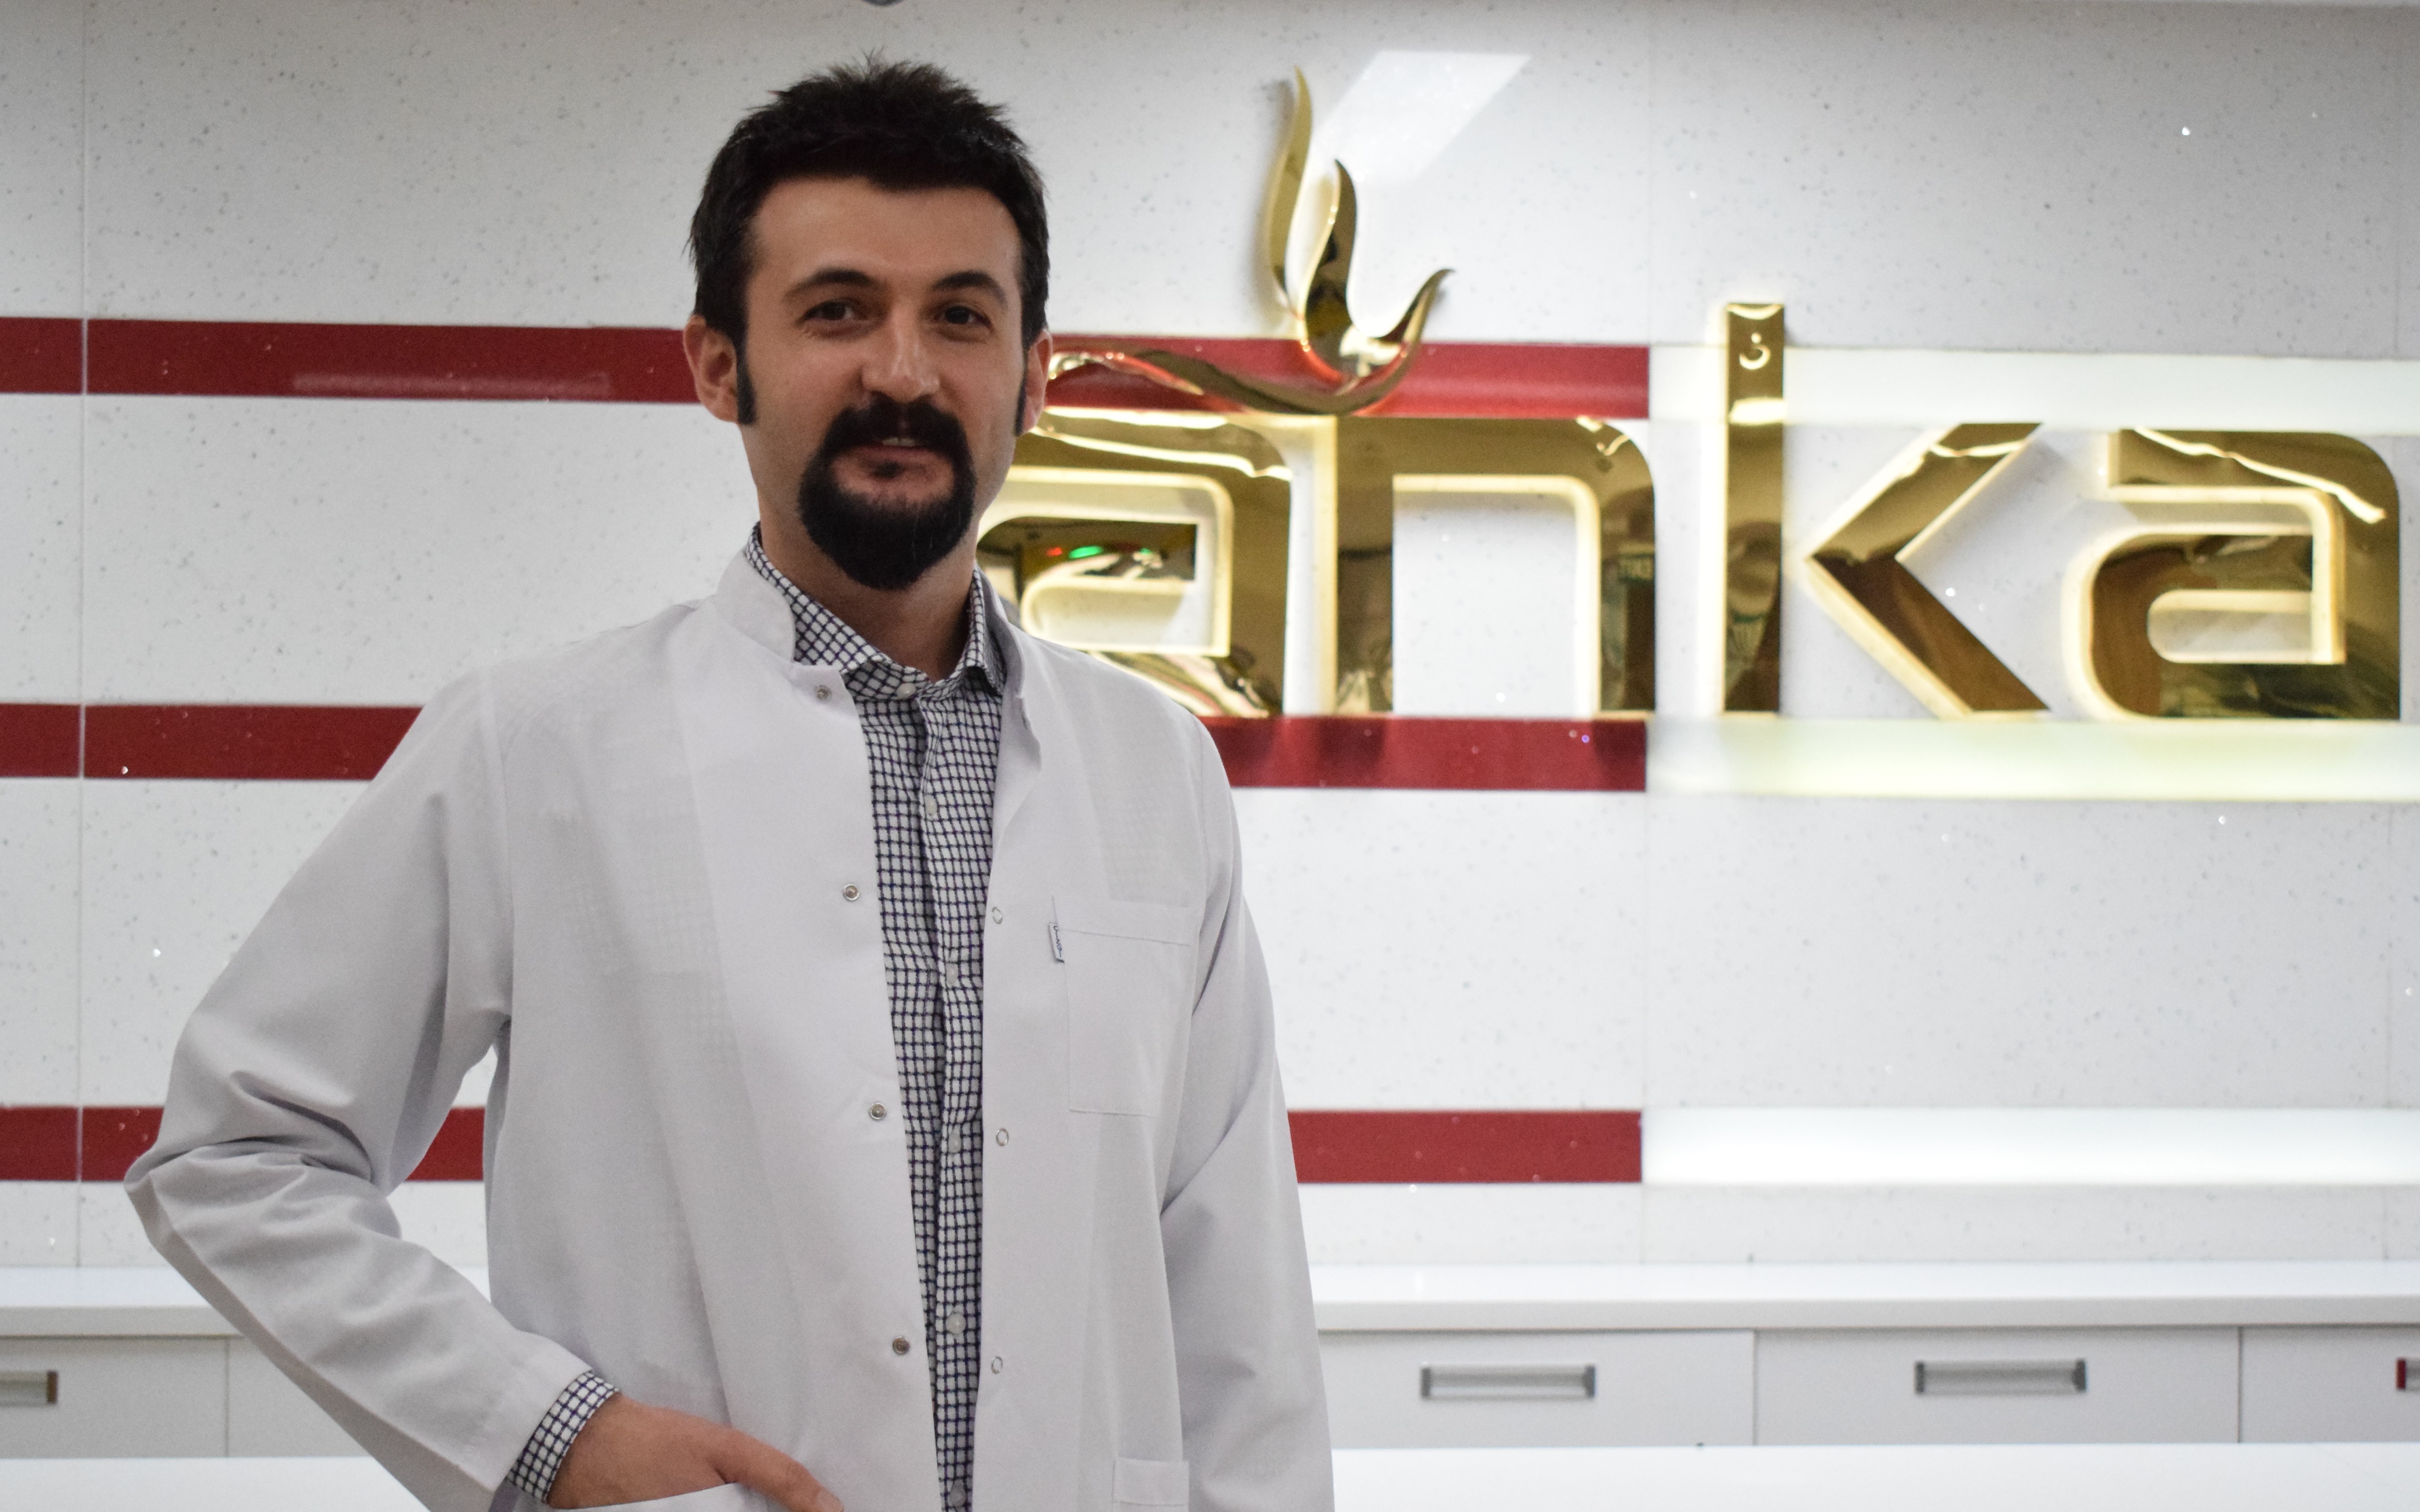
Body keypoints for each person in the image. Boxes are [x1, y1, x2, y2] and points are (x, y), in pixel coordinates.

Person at [126, 58, 1330, 1512]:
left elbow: (1237, 1287)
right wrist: (546, 1430)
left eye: (962, 315)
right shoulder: (534, 746)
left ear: (1032, 373)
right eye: (838, 311)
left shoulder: (1154, 767)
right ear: (716, 364)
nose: (904, 372)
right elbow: (241, 1151)